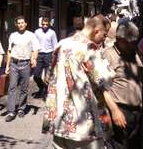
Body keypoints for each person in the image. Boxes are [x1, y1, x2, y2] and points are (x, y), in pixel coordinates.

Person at [44, 14, 126, 149]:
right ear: (96, 31)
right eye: (104, 35)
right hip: (83, 125)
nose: (104, 39)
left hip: (59, 121)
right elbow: (108, 78)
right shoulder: (90, 48)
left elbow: (48, 77)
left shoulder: (61, 44)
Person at [103, 20, 143, 149]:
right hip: (120, 111)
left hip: (137, 112)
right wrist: (114, 110)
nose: (133, 45)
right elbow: (101, 88)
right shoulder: (108, 55)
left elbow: (140, 78)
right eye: (130, 43)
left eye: (134, 42)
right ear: (120, 39)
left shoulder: (133, 53)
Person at [5, 15, 40, 122]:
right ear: (16, 25)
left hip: (25, 64)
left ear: (26, 24)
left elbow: (36, 49)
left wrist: (34, 59)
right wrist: (7, 66)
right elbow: (9, 51)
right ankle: (11, 111)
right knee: (12, 87)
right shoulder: (13, 35)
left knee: (24, 88)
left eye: (22, 22)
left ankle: (21, 108)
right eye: (18, 23)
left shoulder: (31, 35)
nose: (20, 24)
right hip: (14, 64)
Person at [34, 16, 57, 97]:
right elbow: (34, 44)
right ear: (41, 24)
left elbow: (55, 46)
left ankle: (46, 91)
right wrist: (33, 57)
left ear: (49, 25)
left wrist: (55, 57)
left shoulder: (52, 33)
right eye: (43, 24)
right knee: (36, 75)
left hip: (48, 55)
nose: (45, 26)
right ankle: (41, 87)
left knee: (48, 76)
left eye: (46, 25)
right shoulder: (37, 32)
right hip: (39, 55)